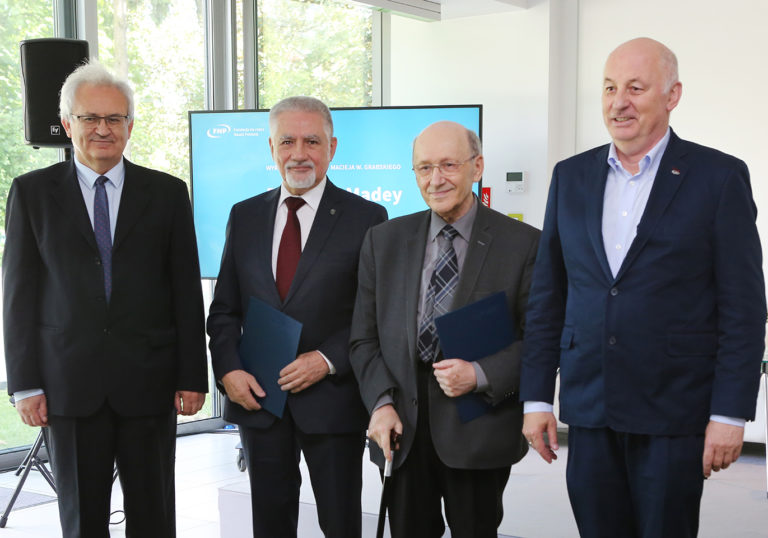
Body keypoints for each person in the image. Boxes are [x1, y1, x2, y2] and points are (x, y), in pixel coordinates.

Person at [520, 37, 765, 537]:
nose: (619, 102)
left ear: (672, 96)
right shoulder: (570, 176)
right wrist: (537, 399)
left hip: (674, 410)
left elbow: (743, 307)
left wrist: (730, 412)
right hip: (590, 409)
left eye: (636, 88)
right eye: (610, 88)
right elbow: (548, 297)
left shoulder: (718, 178)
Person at [2, 60, 208, 537]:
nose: (102, 129)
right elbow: (18, 296)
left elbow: (184, 290)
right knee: (82, 521)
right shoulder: (32, 193)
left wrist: (192, 375)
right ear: (67, 123)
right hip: (68, 386)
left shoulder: (168, 193)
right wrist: (25, 384)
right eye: (90, 117)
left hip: (150, 383)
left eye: (114, 118)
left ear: (130, 125)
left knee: (154, 516)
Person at [207, 96, 387, 538]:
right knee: (270, 523)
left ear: (332, 147)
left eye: (312, 141)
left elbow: (374, 314)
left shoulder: (367, 218)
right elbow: (225, 309)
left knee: (341, 524)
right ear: (272, 147)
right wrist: (228, 369)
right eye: (287, 141)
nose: (299, 153)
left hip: (333, 402)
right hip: (259, 399)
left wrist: (326, 360)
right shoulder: (244, 215)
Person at [350, 121, 540, 538]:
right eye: (424, 168)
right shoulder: (383, 241)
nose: (435, 179)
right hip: (402, 428)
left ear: (477, 167)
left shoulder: (523, 244)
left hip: (478, 427)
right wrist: (381, 404)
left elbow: (541, 341)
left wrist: (481, 373)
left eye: (449, 165)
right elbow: (363, 339)